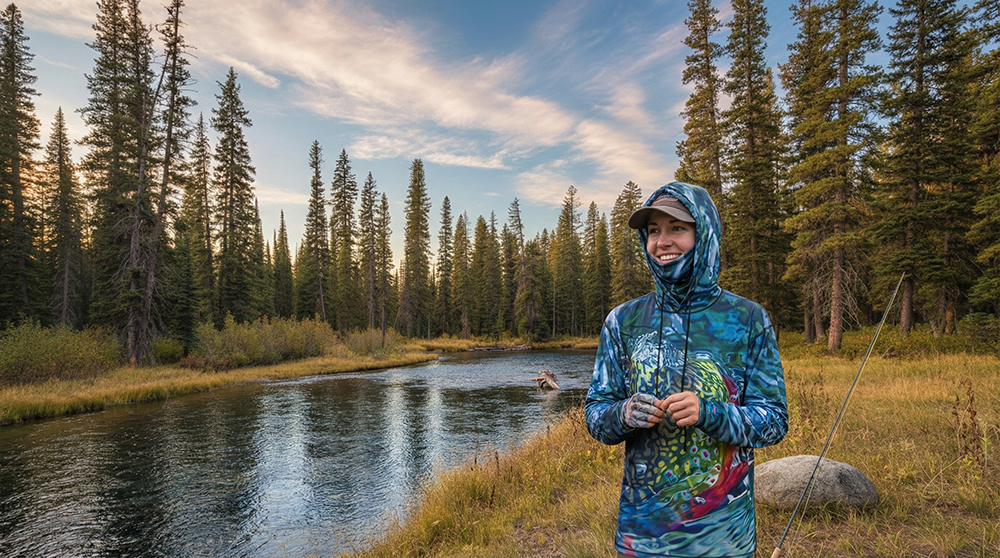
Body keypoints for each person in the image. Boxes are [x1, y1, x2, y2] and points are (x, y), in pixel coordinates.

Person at [585, 182, 788, 558]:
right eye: (653, 231)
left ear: (704, 233)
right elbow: (596, 415)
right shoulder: (623, 322)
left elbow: (773, 421)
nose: (663, 242)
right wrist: (624, 413)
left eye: (677, 228)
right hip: (642, 538)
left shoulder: (747, 319)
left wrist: (709, 412)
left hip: (723, 537)